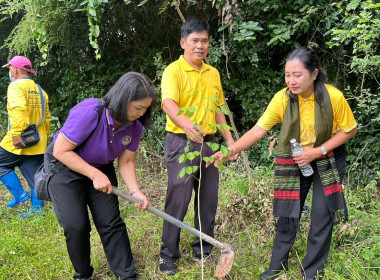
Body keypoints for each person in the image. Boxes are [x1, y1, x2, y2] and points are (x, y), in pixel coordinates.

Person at [208, 47, 357, 280]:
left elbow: (350, 130)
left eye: (297, 75)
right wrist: (231, 150)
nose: (291, 80)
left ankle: (312, 272)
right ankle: (276, 268)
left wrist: (317, 151)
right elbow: (259, 130)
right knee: (288, 213)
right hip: (295, 158)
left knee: (321, 213)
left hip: (327, 157)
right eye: (288, 75)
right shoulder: (282, 98)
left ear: (314, 73)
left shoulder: (332, 97)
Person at [44, 72, 156, 280]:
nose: (142, 113)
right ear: (123, 99)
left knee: (111, 222)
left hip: (101, 166)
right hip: (65, 165)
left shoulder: (135, 127)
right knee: (76, 225)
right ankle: (83, 274)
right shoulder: (90, 111)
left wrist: (136, 191)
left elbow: (126, 161)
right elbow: (61, 151)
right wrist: (94, 174)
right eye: (138, 107)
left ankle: (127, 276)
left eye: (145, 108)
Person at [158, 17, 237, 276]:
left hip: (211, 145)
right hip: (181, 142)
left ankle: (203, 249)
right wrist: (187, 125)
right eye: (195, 41)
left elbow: (219, 109)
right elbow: (168, 103)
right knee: (178, 199)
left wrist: (229, 142)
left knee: (208, 200)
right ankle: (168, 256)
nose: (200, 46)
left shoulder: (212, 73)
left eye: (204, 41)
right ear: (183, 43)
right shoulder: (173, 71)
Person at [0, 56, 51, 218]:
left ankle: (20, 195)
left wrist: (16, 134)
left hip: (19, 140)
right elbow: (47, 118)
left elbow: (19, 110)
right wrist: (44, 138)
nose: (9, 72)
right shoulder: (40, 90)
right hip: (37, 141)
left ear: (15, 70)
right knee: (34, 176)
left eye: (9, 69)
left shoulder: (15, 87)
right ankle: (37, 211)